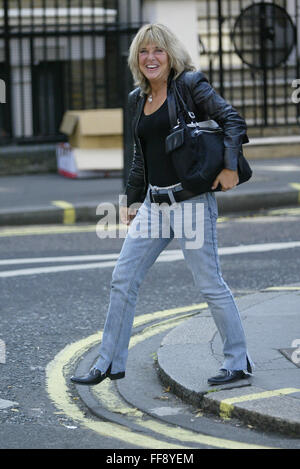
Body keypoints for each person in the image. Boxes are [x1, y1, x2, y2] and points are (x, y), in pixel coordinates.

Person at [71, 23, 254, 387]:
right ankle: (108, 361)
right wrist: (131, 199)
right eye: (143, 51)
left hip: (191, 204)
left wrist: (231, 166)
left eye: (158, 51)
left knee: (209, 284)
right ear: (135, 59)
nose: (150, 58)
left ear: (170, 55)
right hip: (155, 205)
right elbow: (139, 155)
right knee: (122, 278)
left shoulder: (189, 85)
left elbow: (232, 119)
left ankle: (238, 362)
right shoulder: (137, 99)